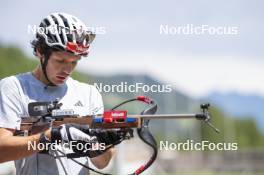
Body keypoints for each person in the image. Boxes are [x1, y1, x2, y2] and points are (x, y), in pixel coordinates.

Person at [0, 12, 120, 175]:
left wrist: (102, 145)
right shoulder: (14, 87)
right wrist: (53, 135)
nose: (67, 69)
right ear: (40, 51)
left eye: (74, 62)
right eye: (60, 60)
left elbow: (101, 164)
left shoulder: (89, 93)